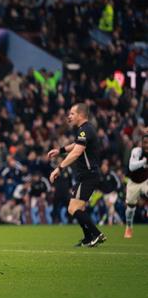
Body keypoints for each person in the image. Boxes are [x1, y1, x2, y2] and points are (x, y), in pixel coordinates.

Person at [48, 103, 106, 247]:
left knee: (73, 208)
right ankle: (88, 237)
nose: (69, 116)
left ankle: (96, 234)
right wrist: (60, 150)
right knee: (78, 208)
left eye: (72, 113)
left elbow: (77, 152)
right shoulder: (84, 130)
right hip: (86, 175)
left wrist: (59, 168)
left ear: (81, 115)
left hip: (88, 175)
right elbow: (76, 145)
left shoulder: (85, 130)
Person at [124, 134, 148, 238]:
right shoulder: (136, 151)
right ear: (141, 143)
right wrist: (144, 161)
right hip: (133, 182)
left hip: (145, 181)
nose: (146, 145)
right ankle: (129, 227)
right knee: (130, 208)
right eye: (145, 143)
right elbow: (131, 167)